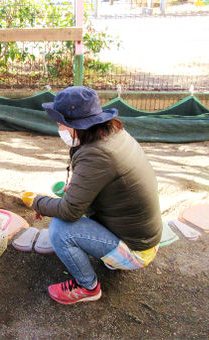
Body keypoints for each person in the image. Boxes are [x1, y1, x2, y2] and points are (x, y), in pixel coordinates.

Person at [30, 86, 162, 305]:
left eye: (61, 123)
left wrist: (37, 203)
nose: (59, 127)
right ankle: (111, 255)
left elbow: (69, 211)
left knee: (61, 229)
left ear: (77, 126)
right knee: (69, 213)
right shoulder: (113, 135)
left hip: (139, 249)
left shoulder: (97, 154)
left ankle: (87, 286)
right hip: (145, 236)